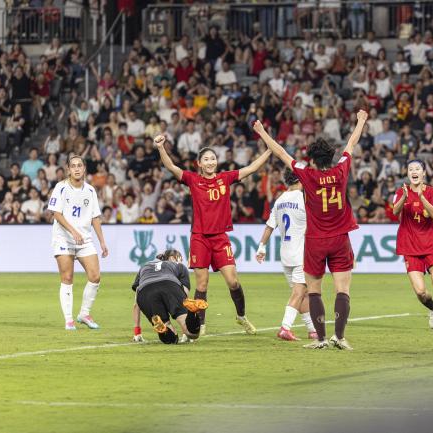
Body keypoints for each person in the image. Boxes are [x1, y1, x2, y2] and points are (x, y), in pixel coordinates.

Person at [253, 109, 368, 350]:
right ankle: (340, 337)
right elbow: (351, 143)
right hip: (340, 239)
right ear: (331, 157)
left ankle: (322, 339)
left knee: (313, 291)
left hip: (315, 241)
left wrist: (263, 132)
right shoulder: (342, 169)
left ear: (313, 160)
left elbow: (282, 153)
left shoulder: (306, 175)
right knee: (342, 289)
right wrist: (361, 121)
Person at [154, 134, 271, 336]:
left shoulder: (225, 178)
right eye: (206, 159)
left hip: (220, 238)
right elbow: (172, 167)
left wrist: (270, 150)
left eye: (213, 158)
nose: (210, 162)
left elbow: (251, 168)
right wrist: (161, 148)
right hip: (199, 237)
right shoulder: (193, 180)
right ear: (199, 163)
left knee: (233, 281)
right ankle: (200, 325)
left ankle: (241, 317)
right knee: (202, 284)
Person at [392, 160, 433, 331]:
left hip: (430, 245)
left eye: (417, 169)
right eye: (411, 169)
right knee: (421, 292)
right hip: (410, 247)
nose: (414, 172)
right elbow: (395, 211)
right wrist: (405, 198)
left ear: (423, 173)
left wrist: (421, 197)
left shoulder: (431, 192)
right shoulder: (401, 191)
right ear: (407, 173)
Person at [47, 155, 108, 331]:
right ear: (68, 169)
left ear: (84, 169)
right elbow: (56, 213)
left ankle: (84, 313)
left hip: (84, 239)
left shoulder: (90, 191)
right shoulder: (61, 187)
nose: (76, 168)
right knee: (67, 277)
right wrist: (73, 231)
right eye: (73, 166)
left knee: (95, 276)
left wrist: (102, 242)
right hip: (64, 238)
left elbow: (95, 217)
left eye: (79, 165)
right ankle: (68, 320)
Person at [255, 170, 318, 341]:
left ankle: (313, 330)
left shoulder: (280, 200)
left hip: (286, 255)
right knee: (299, 293)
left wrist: (261, 247)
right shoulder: (305, 199)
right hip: (301, 253)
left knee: (301, 293)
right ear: (300, 180)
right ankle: (285, 327)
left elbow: (269, 226)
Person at [131, 249, 207, 344]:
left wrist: (137, 331)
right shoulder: (179, 266)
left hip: (145, 292)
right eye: (179, 258)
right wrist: (185, 330)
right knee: (192, 334)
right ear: (172, 258)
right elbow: (185, 297)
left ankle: (163, 330)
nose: (181, 261)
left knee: (171, 339)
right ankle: (192, 313)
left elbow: (136, 304)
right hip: (169, 284)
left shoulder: (145, 266)